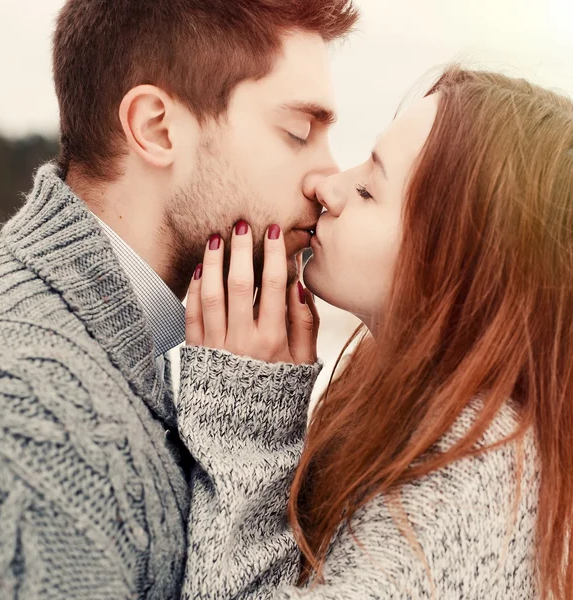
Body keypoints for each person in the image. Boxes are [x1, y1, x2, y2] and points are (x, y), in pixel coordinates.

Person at [0, 0, 358, 598]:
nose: (329, 178)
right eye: (299, 132)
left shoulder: (99, 355)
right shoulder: (26, 417)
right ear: (156, 127)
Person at [178, 66, 573, 599]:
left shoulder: (471, 480)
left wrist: (246, 420)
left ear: (457, 260)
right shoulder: (435, 420)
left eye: (368, 189)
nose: (325, 185)